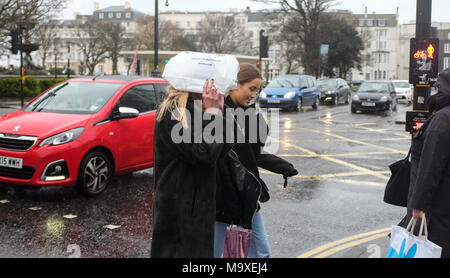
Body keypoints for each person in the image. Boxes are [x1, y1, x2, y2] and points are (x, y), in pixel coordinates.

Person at [214, 63, 298, 258]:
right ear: (236, 84)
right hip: (223, 198)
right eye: (251, 89)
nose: (254, 94)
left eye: (257, 90)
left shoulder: (247, 112)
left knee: (261, 253)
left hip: (247, 195)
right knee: (218, 254)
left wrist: (282, 166)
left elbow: (254, 154)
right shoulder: (217, 113)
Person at [151, 80, 232, 258]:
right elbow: (204, 154)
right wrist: (213, 114)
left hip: (197, 205)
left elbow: (221, 152)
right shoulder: (174, 112)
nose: (213, 88)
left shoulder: (197, 109)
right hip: (179, 207)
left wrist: (219, 112)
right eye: (208, 82)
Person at [407, 68, 450, 258]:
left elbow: (430, 166)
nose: (436, 92)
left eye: (439, 88)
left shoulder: (443, 119)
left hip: (438, 205)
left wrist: (419, 204)